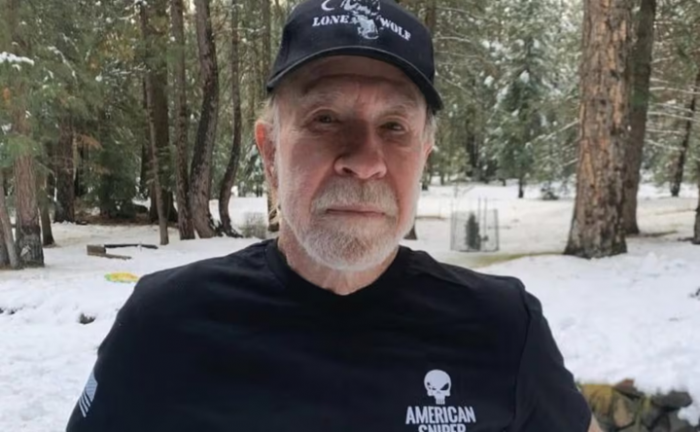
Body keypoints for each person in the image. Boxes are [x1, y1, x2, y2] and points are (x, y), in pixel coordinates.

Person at [66, 0, 601, 431]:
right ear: (270, 151)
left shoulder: (505, 328)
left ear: (423, 156)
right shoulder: (164, 325)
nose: (365, 160)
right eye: (325, 118)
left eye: (394, 127)